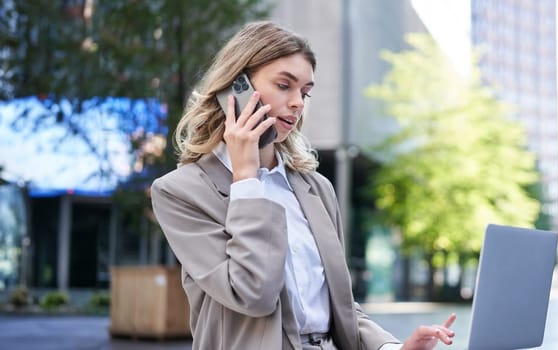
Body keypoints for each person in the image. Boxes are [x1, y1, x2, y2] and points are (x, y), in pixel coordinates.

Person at [150, 21, 456, 350]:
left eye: (305, 92)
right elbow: (251, 293)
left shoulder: (317, 189)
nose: (298, 102)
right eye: (284, 85)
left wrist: (392, 348)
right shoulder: (180, 192)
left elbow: (338, 305)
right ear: (235, 87)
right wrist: (246, 180)